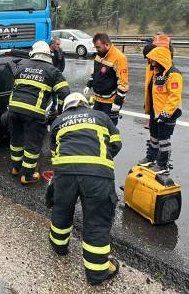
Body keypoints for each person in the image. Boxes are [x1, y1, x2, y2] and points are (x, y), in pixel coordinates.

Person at [47, 92, 122, 285]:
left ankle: (59, 246)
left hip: (64, 174)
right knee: (96, 221)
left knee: (62, 209)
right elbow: (116, 144)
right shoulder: (101, 116)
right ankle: (97, 273)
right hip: (97, 175)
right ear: (84, 104)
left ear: (66, 107)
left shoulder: (58, 121)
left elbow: (54, 151)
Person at [8, 40, 70, 184]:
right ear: (48, 54)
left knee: (16, 140)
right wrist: (60, 112)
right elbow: (65, 93)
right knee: (32, 144)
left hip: (13, 109)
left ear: (33, 52)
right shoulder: (53, 71)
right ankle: (27, 175)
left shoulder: (22, 66)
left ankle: (16, 168)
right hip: (33, 113)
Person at [138, 45, 183, 174]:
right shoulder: (157, 73)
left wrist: (165, 114)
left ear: (161, 59)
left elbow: (174, 97)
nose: (151, 62)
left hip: (168, 113)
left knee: (164, 139)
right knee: (154, 136)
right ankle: (151, 158)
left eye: (153, 59)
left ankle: (163, 165)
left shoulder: (173, 74)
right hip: (156, 112)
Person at [83, 33, 129, 125]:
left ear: (107, 45)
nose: (97, 49)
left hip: (110, 101)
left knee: (109, 127)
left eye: (98, 47)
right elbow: (95, 73)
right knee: (96, 125)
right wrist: (89, 84)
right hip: (98, 99)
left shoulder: (119, 58)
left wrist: (117, 102)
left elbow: (123, 84)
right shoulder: (99, 55)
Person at [49, 36, 66, 112]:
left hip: (56, 75)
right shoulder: (47, 51)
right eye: (57, 44)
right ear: (52, 44)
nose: (59, 46)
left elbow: (62, 63)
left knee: (55, 92)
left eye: (59, 44)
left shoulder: (59, 51)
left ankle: (54, 108)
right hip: (48, 75)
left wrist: (59, 73)